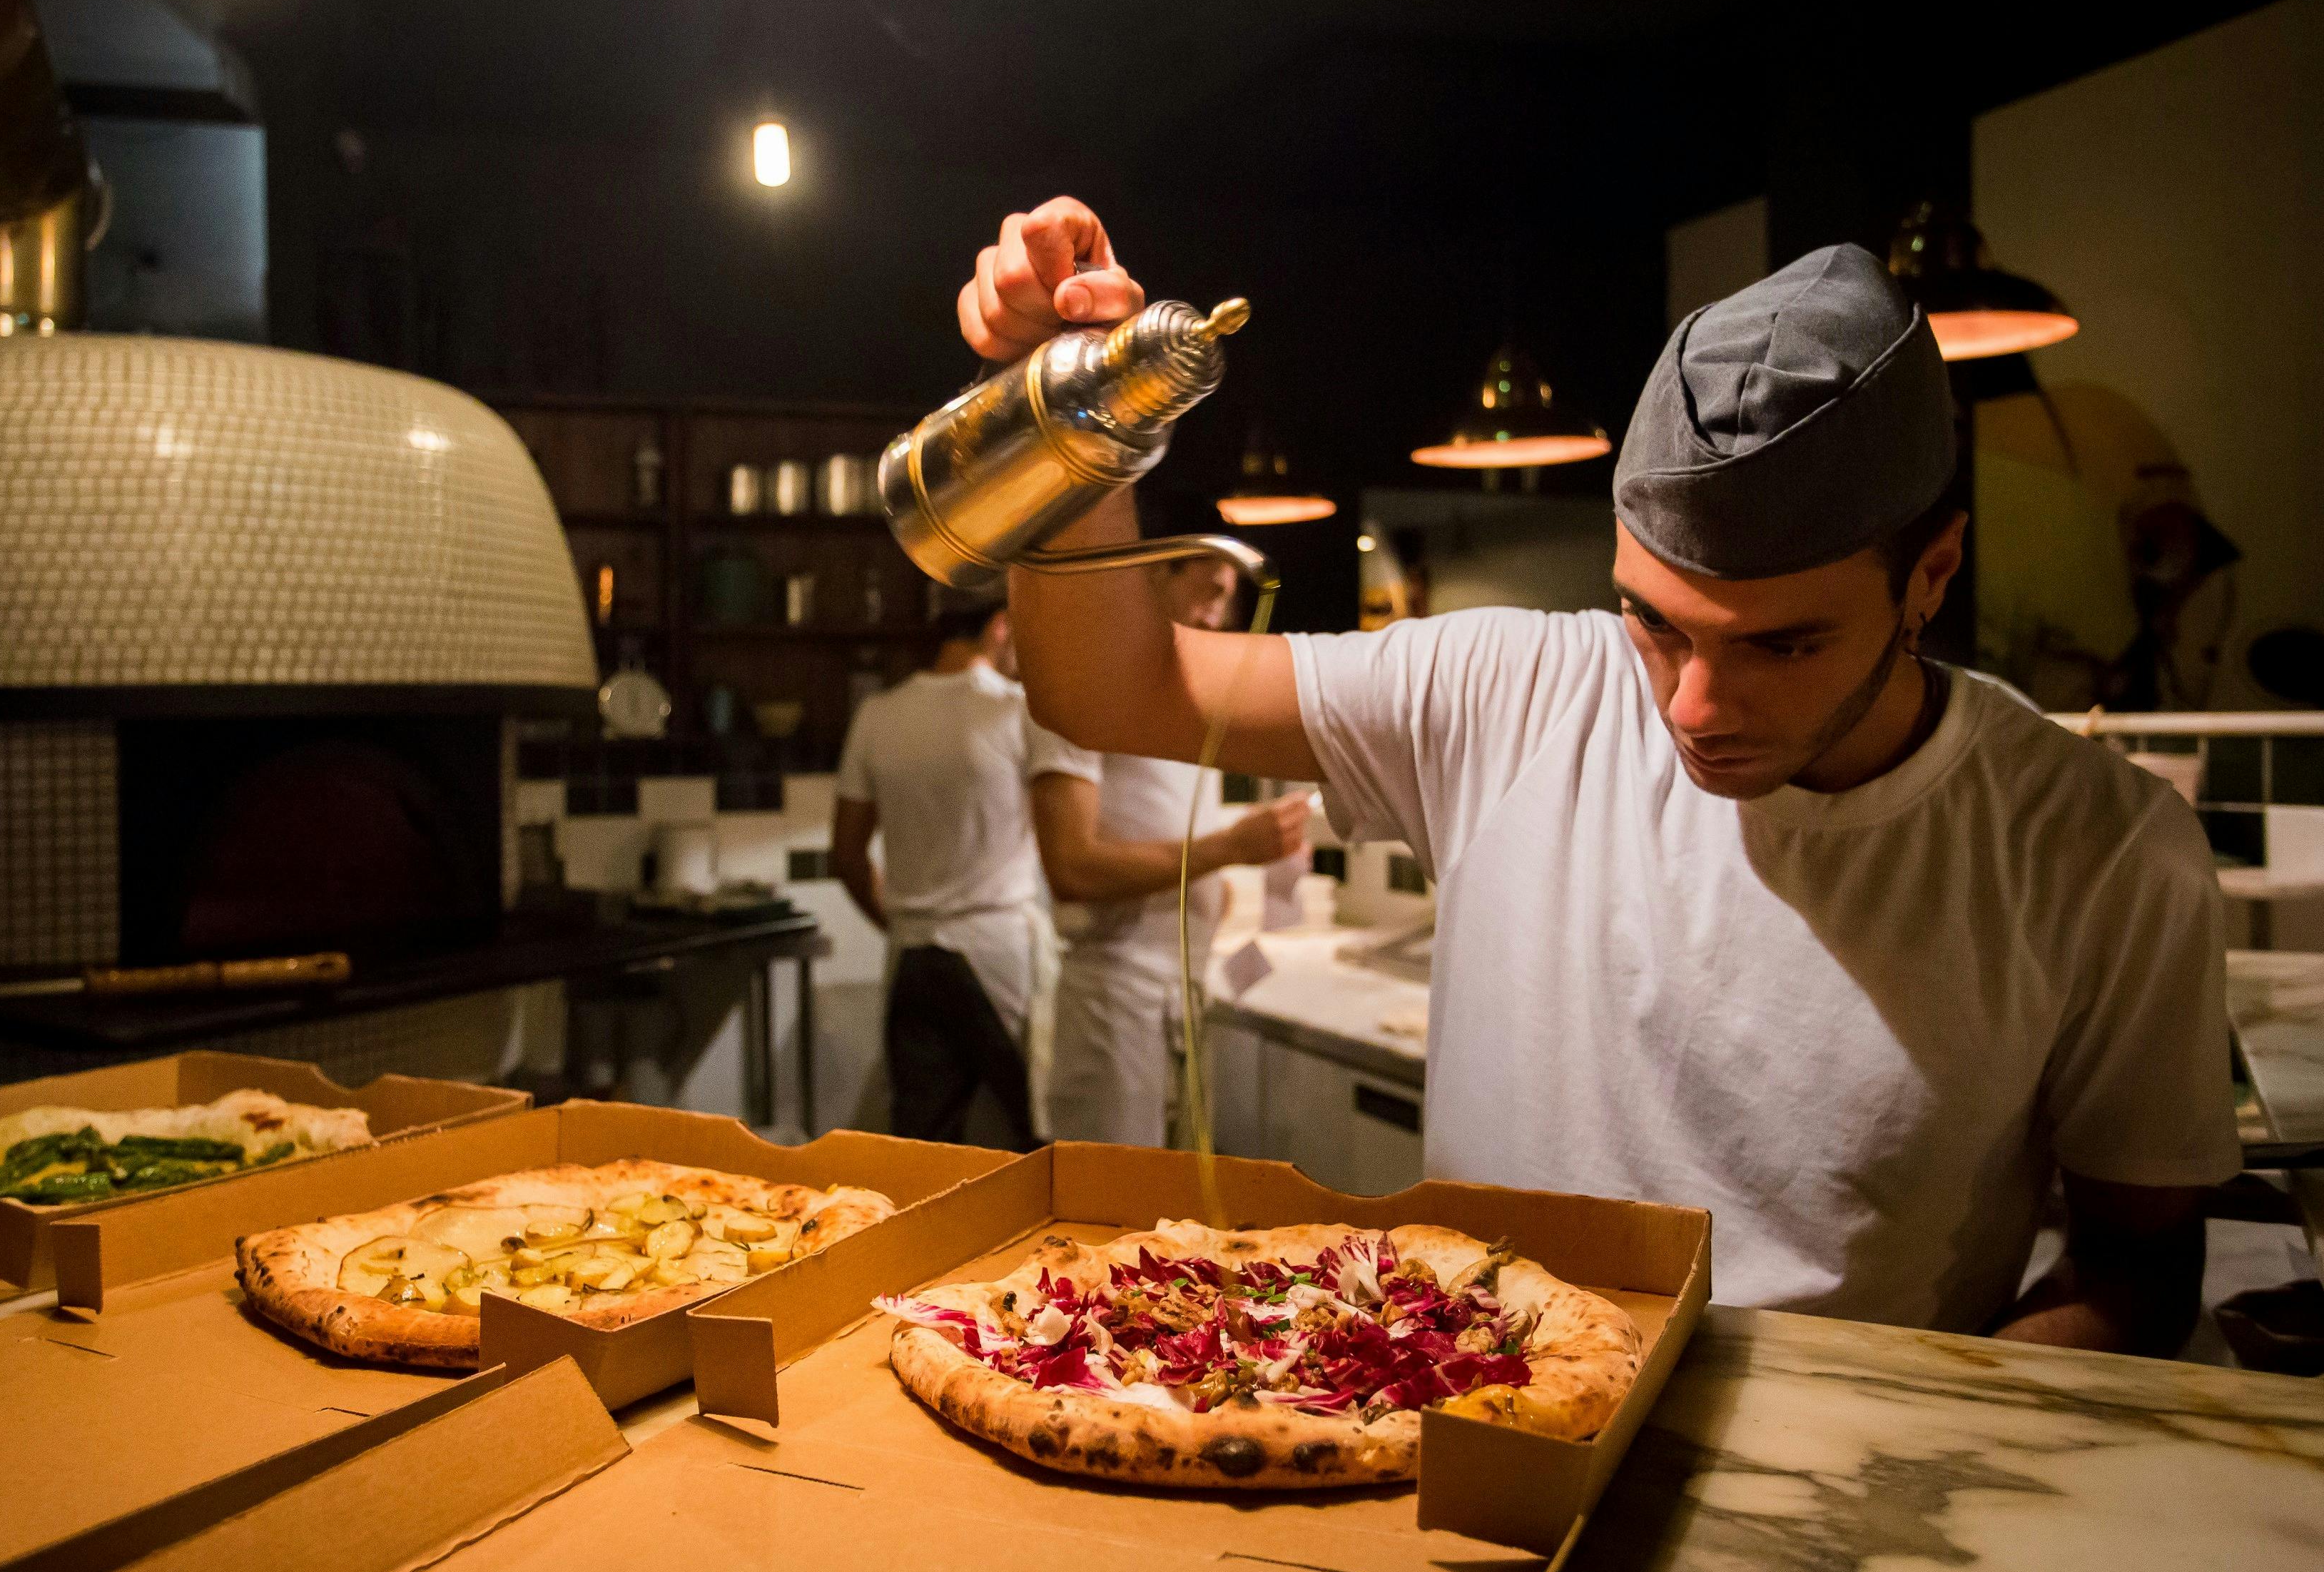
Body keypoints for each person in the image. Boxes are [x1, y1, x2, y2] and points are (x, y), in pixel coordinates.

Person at [955, 196, 2240, 1354]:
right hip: (1466, 1438)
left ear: (1931, 575)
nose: (1692, 707)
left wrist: (1909, 1466)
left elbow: (2135, 1273)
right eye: (1654, 621)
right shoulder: (1511, 694)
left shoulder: (2095, 850)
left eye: (1779, 645)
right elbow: (1108, 688)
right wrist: (1054, 400)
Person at [1026, 554, 1310, 1145]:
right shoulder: (1081, 687)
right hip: (1116, 998)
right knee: (1112, 1215)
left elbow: (1157, 824)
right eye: (1209, 590)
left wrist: (1215, 889)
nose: (1218, 615)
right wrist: (1227, 848)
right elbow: (1072, 866)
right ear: (1155, 574)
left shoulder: (1185, 700)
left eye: (1227, 598)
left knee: (1172, 1220)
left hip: (1180, 996)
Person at [831, 594, 1042, 1147]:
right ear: (1000, 627)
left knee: (924, 1149)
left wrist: (899, 921)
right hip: (1000, 957)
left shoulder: (879, 715)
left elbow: (847, 856)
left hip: (912, 955)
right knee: (1038, 1139)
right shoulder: (1018, 710)